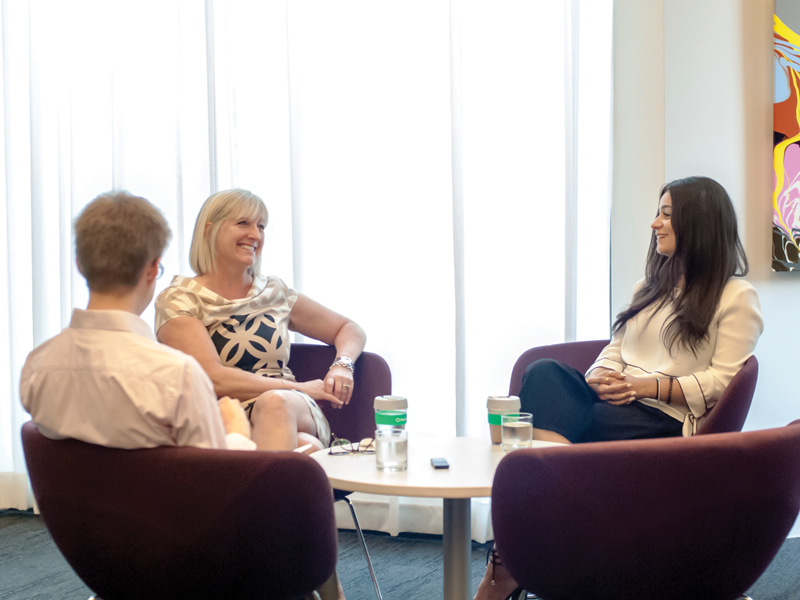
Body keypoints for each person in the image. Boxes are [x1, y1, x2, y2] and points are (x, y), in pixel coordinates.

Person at [475, 176, 764, 600]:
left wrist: (645, 385)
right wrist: (601, 377)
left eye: (666, 215)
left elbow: (723, 381)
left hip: (664, 424)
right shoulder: (648, 288)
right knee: (542, 374)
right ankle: (556, 522)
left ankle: (517, 557)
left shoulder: (735, 296)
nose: (655, 224)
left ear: (698, 224)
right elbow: (615, 350)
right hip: (613, 407)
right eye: (658, 213)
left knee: (538, 438)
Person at [20, 191, 254, 451]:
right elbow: (214, 482)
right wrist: (236, 433)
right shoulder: (178, 376)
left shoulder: (36, 367)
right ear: (152, 270)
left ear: (79, 265)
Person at [154, 189, 367, 454]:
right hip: (222, 413)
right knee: (307, 448)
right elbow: (213, 377)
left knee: (274, 404)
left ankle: (258, 493)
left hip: (290, 405)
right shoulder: (181, 299)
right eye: (243, 223)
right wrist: (298, 387)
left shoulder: (274, 292)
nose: (255, 235)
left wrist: (343, 365)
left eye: (261, 226)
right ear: (209, 230)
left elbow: (348, 329)